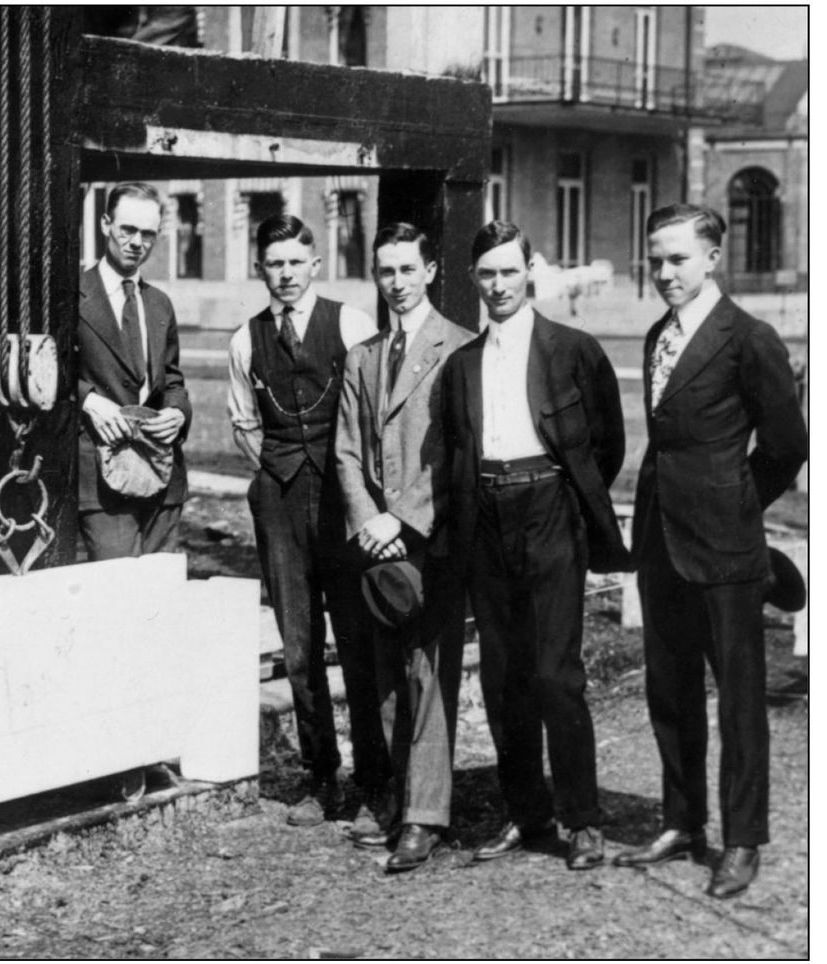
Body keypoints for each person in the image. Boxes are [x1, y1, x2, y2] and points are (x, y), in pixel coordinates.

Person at [617, 204, 807, 899]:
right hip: (661, 543)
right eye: (656, 259)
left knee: (739, 699)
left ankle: (743, 839)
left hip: (726, 550)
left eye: (677, 259)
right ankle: (681, 822)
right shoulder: (656, 336)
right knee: (669, 691)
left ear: (712, 258)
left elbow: (789, 444)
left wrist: (737, 502)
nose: (664, 272)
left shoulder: (747, 338)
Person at [442, 220, 630, 871]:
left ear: (531, 272)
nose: (498, 285)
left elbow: (607, 444)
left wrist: (569, 502)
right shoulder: (461, 365)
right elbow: (450, 451)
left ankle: (582, 821)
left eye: (509, 272)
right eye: (487, 274)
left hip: (550, 511)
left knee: (556, 674)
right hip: (485, 521)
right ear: (475, 280)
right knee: (504, 678)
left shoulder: (572, 349)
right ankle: (527, 814)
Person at [227, 214, 377, 827]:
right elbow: (242, 422)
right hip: (282, 502)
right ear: (259, 268)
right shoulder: (244, 339)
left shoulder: (351, 323)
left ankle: (375, 781)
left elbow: (374, 413)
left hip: (345, 497)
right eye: (274, 264)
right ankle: (323, 777)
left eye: (295, 262)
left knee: (360, 638)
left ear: (315, 264)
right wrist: (275, 473)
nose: (285, 274)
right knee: (298, 644)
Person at [332, 223, 474, 869]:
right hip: (375, 541)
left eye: (407, 270)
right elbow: (346, 449)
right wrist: (368, 518)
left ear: (431, 271)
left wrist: (404, 519)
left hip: (429, 538)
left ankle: (425, 815)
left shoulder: (458, 348)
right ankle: (397, 798)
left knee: (429, 675)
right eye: (386, 271)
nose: (397, 282)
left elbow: (455, 452)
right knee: (388, 673)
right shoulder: (363, 355)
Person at [77, 182, 191, 560]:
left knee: (160, 594)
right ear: (106, 223)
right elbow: (49, 372)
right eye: (127, 230)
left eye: (148, 234)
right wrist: (87, 399)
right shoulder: (72, 294)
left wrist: (177, 412)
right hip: (101, 478)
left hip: (162, 474)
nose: (136, 242)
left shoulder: (160, 304)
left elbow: (172, 379)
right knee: (117, 595)